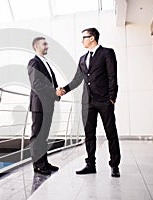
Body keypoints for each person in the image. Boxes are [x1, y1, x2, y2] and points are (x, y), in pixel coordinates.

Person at [57, 28, 121, 177]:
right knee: (89, 134)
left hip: (105, 100)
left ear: (92, 38)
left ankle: (114, 165)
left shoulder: (107, 53)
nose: (82, 41)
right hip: (87, 102)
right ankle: (90, 164)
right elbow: (77, 80)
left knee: (111, 132)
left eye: (84, 38)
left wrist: (112, 97)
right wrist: (64, 90)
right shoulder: (82, 58)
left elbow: (112, 76)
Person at [27, 37, 60, 175]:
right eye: (44, 44)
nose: (47, 46)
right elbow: (35, 84)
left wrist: (57, 92)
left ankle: (44, 162)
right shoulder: (34, 62)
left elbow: (51, 81)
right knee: (37, 135)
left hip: (47, 104)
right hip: (39, 105)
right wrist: (54, 91)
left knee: (44, 136)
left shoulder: (45, 62)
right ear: (36, 46)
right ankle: (38, 165)